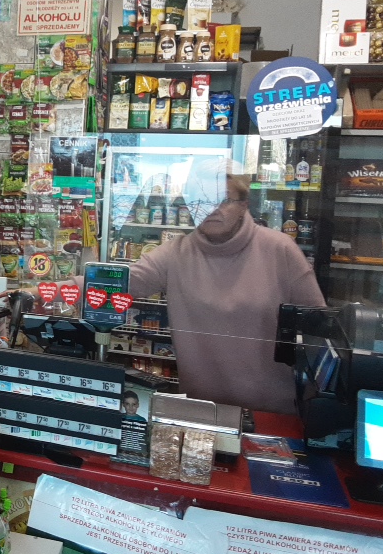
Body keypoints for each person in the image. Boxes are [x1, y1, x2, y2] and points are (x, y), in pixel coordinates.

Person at [121, 163, 325, 414]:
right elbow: (121, 281)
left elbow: (320, 330)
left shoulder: (280, 250)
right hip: (201, 410)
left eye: (224, 200)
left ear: (243, 205)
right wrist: (72, 287)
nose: (211, 209)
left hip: (271, 412)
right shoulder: (176, 253)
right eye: (201, 200)